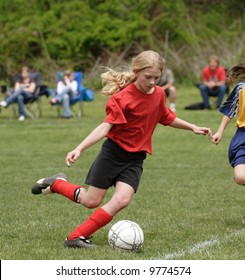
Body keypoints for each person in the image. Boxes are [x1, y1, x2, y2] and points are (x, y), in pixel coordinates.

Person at [31, 50, 212, 249]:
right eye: (148, 77)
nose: (152, 82)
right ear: (136, 72)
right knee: (90, 201)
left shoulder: (159, 94)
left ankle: (76, 237)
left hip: (136, 159)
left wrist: (192, 126)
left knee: (122, 200)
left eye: (156, 77)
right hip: (113, 154)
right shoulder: (122, 98)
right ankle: (57, 183)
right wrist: (79, 148)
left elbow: (166, 117)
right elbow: (105, 127)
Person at [211, 62, 245, 224]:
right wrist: (220, 131)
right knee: (240, 177)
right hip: (243, 136)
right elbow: (231, 110)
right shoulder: (241, 88)